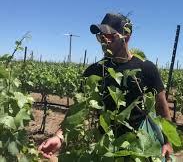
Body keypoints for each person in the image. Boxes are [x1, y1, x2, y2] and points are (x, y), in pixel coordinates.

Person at [38, 12, 173, 159]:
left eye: (110, 36)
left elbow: (161, 106)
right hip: (104, 149)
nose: (104, 42)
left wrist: (168, 141)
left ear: (126, 36)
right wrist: (59, 137)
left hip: (139, 148)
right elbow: (77, 111)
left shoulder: (147, 68)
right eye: (101, 37)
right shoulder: (93, 72)